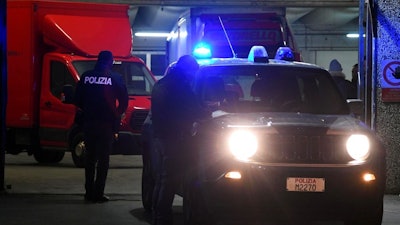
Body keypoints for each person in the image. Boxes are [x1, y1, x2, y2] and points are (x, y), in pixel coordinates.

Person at [150, 55, 209, 225]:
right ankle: (162, 219)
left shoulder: (162, 83)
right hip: (174, 139)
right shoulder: (180, 86)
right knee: (169, 182)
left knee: (162, 180)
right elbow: (194, 109)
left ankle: (158, 217)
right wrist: (209, 111)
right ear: (187, 70)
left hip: (161, 137)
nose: (193, 76)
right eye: (192, 72)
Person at [73, 50, 128, 203]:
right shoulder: (115, 78)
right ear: (110, 62)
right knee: (103, 160)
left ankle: (88, 192)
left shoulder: (86, 77)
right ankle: (98, 193)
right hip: (106, 126)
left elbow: (77, 100)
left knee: (90, 159)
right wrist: (116, 114)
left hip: (89, 124)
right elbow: (124, 101)